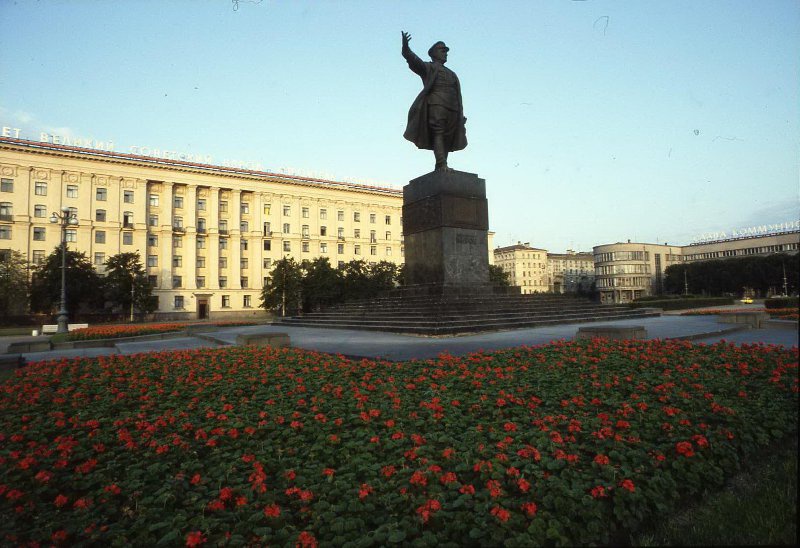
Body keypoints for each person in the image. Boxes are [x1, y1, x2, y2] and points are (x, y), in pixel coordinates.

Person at [402, 31, 467, 171]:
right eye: (442, 50)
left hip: (453, 107)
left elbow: (458, 95)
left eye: (445, 51)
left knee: (448, 137)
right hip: (436, 103)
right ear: (433, 53)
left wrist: (461, 115)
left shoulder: (452, 73)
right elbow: (414, 61)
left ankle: (442, 165)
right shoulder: (429, 67)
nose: (445, 53)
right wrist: (406, 49)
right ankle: (442, 164)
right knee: (439, 132)